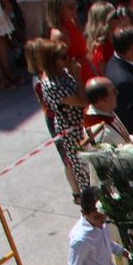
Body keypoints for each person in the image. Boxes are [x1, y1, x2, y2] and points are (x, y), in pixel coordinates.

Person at [33, 38, 88, 199]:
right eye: (63, 57)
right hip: (73, 132)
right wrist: (78, 76)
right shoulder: (52, 85)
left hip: (81, 125)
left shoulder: (63, 73)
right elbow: (82, 101)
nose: (68, 59)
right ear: (52, 61)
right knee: (83, 169)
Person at [46, 0, 96, 82]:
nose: (75, 8)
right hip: (79, 77)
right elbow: (61, 64)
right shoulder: (60, 35)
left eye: (75, 4)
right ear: (58, 10)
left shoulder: (72, 21)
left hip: (88, 69)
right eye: (70, 7)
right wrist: (84, 59)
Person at [80, 76, 133, 147]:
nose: (117, 92)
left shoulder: (105, 110)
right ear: (105, 100)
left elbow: (119, 138)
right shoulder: (100, 133)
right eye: (114, 91)